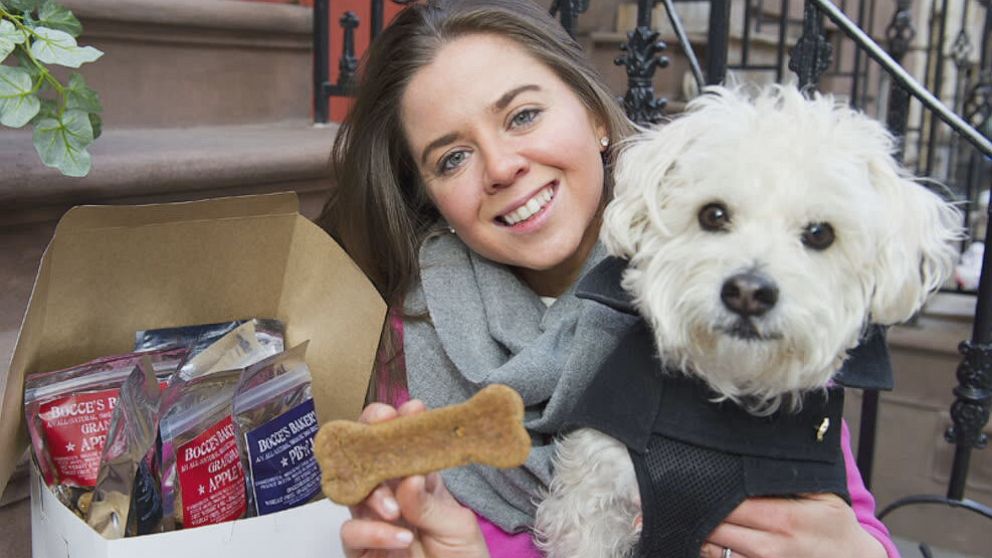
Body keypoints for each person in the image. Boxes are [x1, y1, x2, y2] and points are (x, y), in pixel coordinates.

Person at [316, 1, 899, 557]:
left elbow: (851, 518)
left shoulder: (722, 299)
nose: (500, 167)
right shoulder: (410, 338)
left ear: (594, 116)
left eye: (523, 115)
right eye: (452, 158)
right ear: (431, 195)